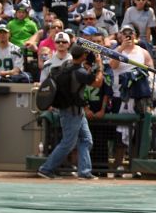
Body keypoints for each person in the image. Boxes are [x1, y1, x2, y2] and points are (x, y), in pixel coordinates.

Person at [36, 45, 105, 179]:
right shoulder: (79, 72)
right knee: (68, 143)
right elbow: (97, 83)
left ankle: (84, 172)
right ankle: (46, 169)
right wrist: (100, 66)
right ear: (83, 56)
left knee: (86, 139)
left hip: (76, 110)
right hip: (71, 112)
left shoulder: (65, 66)